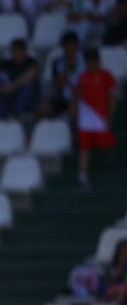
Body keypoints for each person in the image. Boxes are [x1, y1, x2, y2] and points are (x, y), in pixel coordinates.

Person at [73, 47, 118, 190]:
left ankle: (109, 156)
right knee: (84, 147)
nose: (91, 65)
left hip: (100, 117)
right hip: (86, 118)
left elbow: (112, 97)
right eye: (88, 62)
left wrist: (109, 115)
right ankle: (82, 177)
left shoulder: (106, 76)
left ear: (98, 61)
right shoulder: (82, 76)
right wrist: (74, 112)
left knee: (106, 144)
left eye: (93, 62)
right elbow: (76, 95)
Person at [0, 38, 40, 118]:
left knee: (29, 85)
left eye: (19, 51)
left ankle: (16, 113)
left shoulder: (31, 63)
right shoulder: (6, 64)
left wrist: (12, 87)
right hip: (7, 95)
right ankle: (2, 114)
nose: (17, 53)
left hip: (24, 98)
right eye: (15, 51)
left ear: (24, 51)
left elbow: (29, 76)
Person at [39, 31, 82, 118]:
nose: (70, 49)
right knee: (42, 109)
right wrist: (66, 70)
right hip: (64, 97)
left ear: (77, 46)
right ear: (63, 47)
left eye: (72, 46)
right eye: (67, 46)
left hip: (82, 96)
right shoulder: (57, 63)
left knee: (73, 104)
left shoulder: (85, 61)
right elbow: (58, 84)